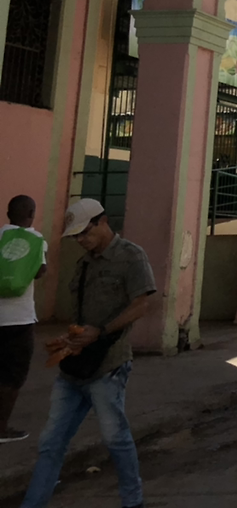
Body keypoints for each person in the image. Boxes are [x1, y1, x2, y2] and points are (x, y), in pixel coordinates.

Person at [22, 198, 154, 508]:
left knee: (115, 438)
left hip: (109, 365)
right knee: (51, 442)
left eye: (85, 232)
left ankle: (133, 501)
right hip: (74, 366)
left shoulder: (131, 256)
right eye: (76, 236)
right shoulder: (84, 264)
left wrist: (102, 332)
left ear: (102, 221)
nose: (81, 240)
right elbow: (81, 314)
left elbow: (141, 304)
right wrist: (71, 338)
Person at [0, 195, 47, 443]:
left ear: (8, 214)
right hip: (19, 318)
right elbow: (40, 271)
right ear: (31, 213)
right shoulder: (36, 239)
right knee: (12, 375)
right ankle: (1, 428)